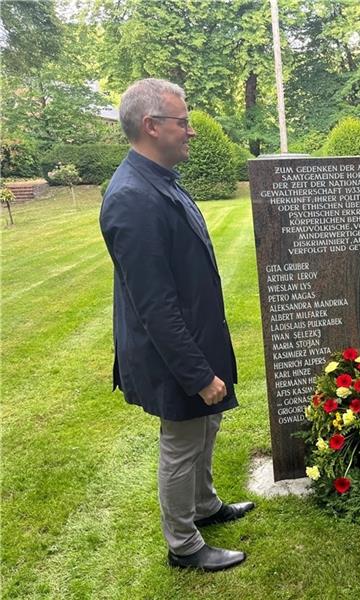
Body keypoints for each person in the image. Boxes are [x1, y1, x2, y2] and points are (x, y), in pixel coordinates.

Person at [99, 78, 253, 570]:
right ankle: (184, 546)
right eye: (182, 122)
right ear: (151, 126)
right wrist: (196, 374)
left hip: (199, 339)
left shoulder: (160, 180)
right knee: (182, 442)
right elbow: (154, 306)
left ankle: (204, 507)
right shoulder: (132, 198)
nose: (191, 131)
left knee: (206, 427)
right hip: (173, 353)